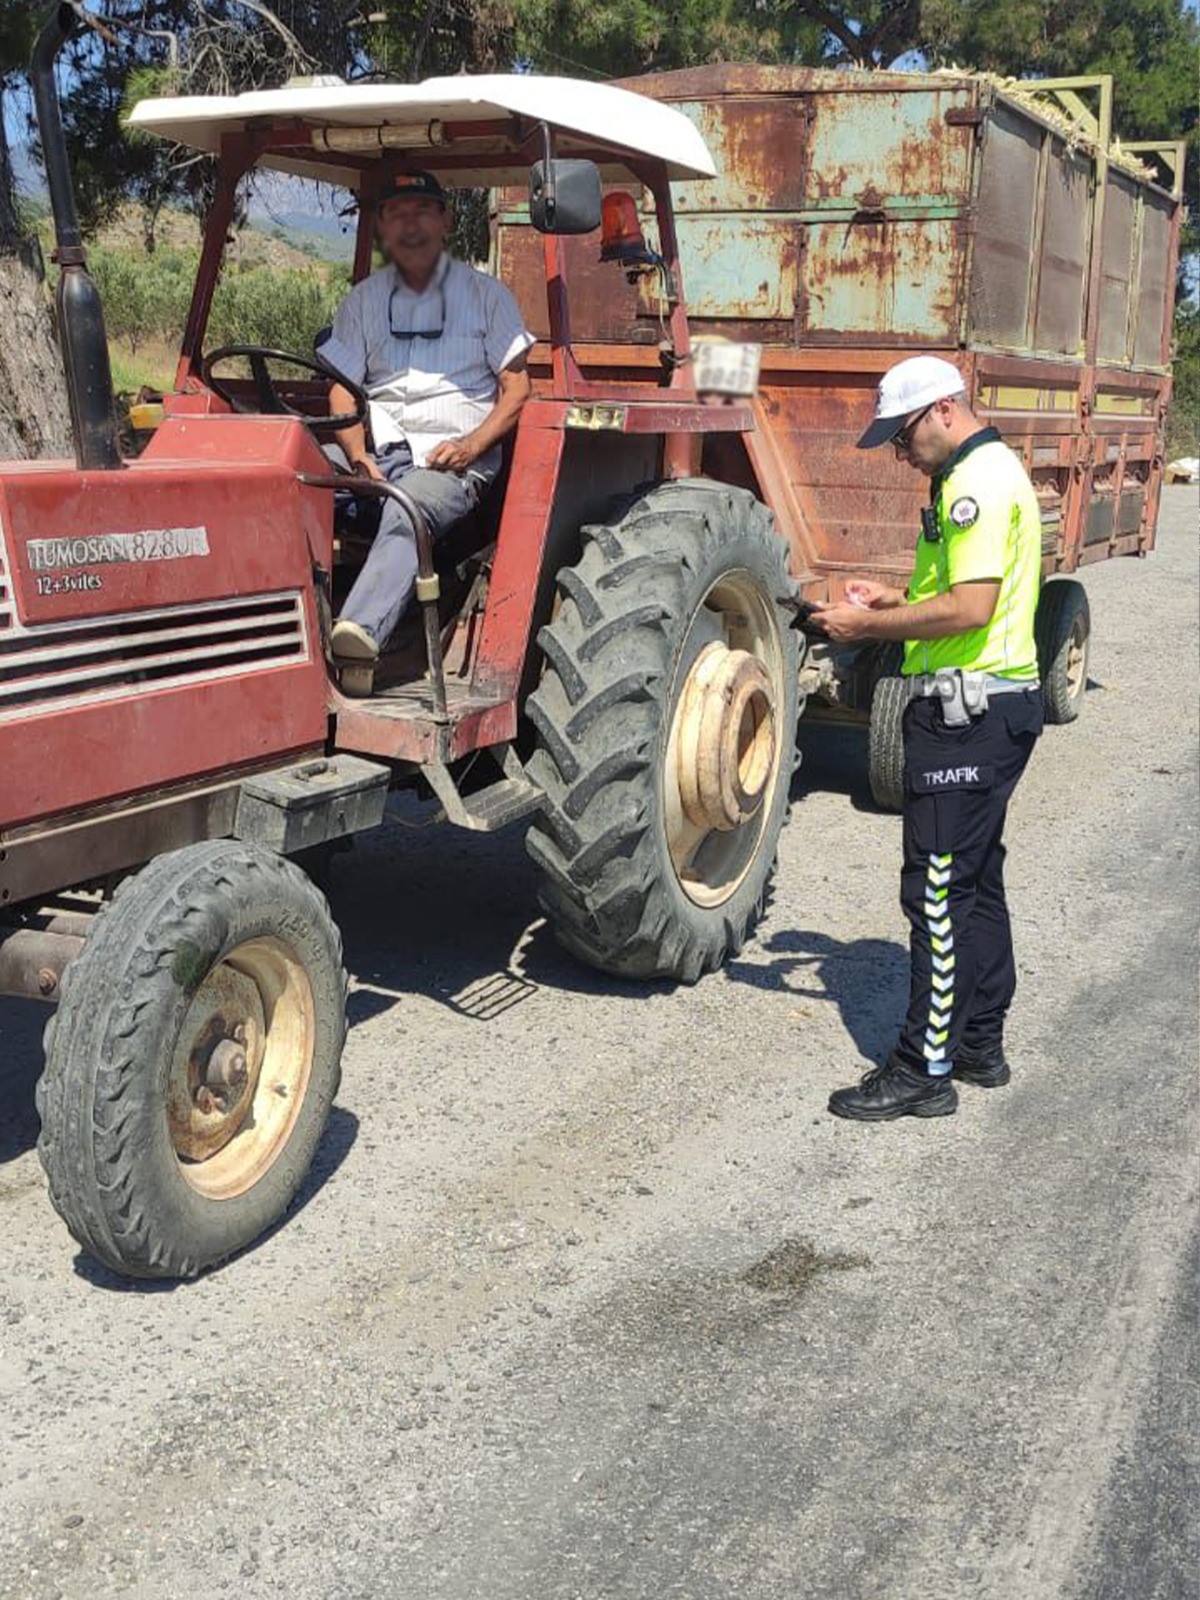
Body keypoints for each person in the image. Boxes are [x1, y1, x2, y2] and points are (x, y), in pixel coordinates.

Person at [813, 356, 1044, 1121]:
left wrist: (866, 625)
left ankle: (924, 1068)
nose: (898, 450)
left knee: (938, 893)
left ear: (944, 410)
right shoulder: (977, 472)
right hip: (993, 708)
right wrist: (897, 597)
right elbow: (962, 593)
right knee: (976, 882)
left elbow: (973, 609)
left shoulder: (976, 482)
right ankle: (979, 1042)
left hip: (970, 716)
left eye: (903, 433)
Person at [317, 170, 534, 694]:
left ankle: (357, 639)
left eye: (421, 210)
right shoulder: (364, 301)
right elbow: (342, 393)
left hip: (452, 460)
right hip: (379, 449)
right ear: (382, 228)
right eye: (395, 213)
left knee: (405, 504)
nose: (409, 224)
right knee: (290, 472)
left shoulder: (487, 297)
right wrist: (355, 454)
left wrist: (472, 446)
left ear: (445, 220)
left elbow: (517, 390)